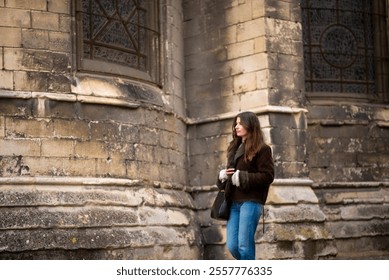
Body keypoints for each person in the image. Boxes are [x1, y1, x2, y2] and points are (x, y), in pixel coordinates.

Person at [217, 111, 274, 260]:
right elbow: (230, 174)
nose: (236, 126)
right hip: (233, 202)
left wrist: (242, 177)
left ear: (250, 125)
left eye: (240, 123)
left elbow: (268, 176)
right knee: (233, 246)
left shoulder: (263, 149)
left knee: (244, 245)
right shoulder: (234, 148)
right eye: (235, 123)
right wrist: (223, 176)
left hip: (251, 201)